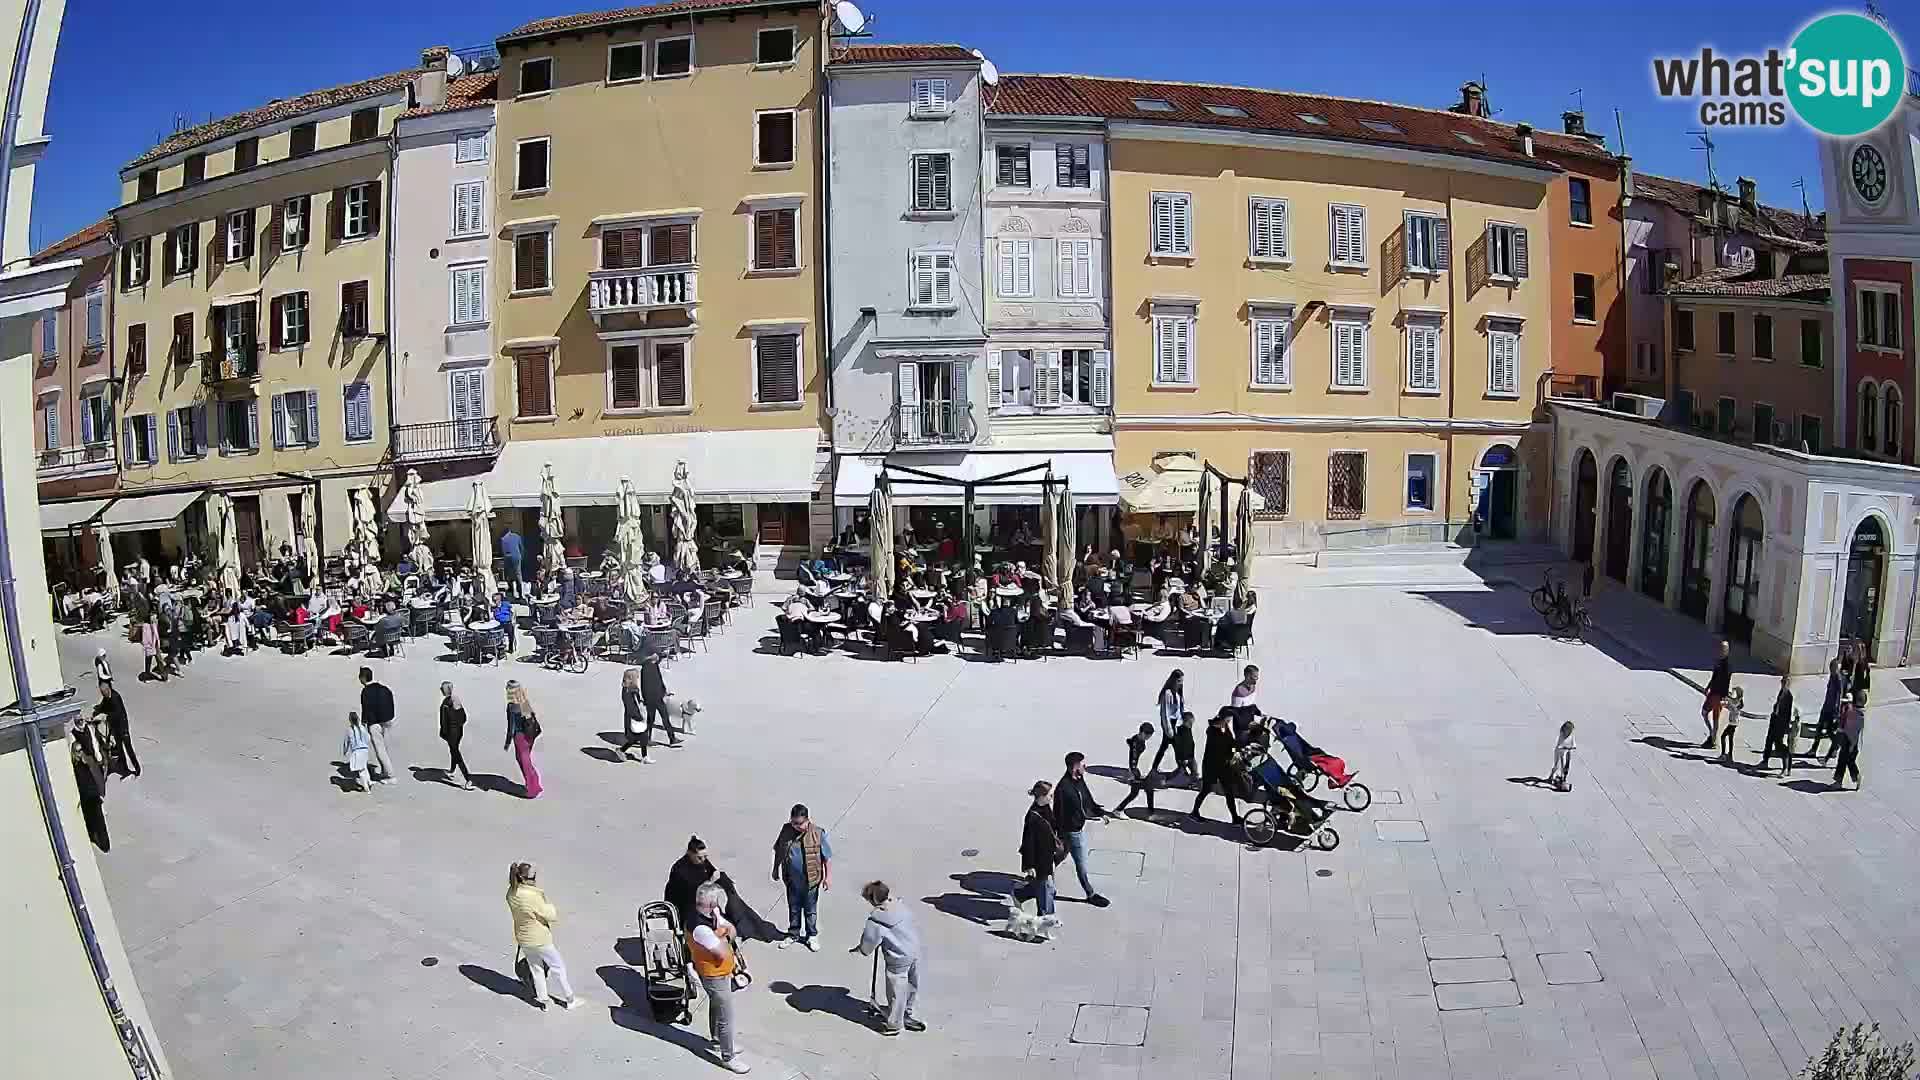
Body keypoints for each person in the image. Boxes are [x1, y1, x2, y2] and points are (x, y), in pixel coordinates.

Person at [665, 836, 785, 942]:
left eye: (705, 857)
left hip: (702, 901)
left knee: (728, 890)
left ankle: (747, 922)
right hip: (687, 907)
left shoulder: (701, 862)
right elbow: (694, 890)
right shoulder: (680, 870)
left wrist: (721, 880)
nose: (703, 860)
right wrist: (711, 882)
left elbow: (712, 871)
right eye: (700, 858)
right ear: (690, 854)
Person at [688, 882, 751, 1072]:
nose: (719, 906)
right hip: (713, 975)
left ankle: (717, 1041)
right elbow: (722, 952)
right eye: (717, 902)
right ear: (711, 904)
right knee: (726, 1017)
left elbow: (731, 928)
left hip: (720, 972)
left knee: (716, 1006)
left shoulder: (709, 914)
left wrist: (724, 933)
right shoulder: (700, 928)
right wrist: (726, 936)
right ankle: (728, 1056)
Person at [506, 862, 582, 1010]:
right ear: (525, 878)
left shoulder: (511, 893)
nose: (535, 880)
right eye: (533, 878)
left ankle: (544, 1002)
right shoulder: (531, 896)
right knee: (558, 967)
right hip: (539, 938)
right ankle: (570, 999)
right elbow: (550, 915)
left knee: (536, 969)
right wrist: (550, 906)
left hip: (523, 938)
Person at [854, 881, 925, 1036]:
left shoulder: (877, 920)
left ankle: (894, 1024)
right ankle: (906, 1012)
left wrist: (862, 950)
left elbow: (869, 941)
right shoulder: (900, 905)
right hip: (913, 949)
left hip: (898, 957)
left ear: (873, 900)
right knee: (911, 982)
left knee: (896, 989)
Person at [1054, 752, 1111, 906]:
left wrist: (1100, 812)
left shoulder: (1079, 780)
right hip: (1072, 832)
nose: (1085, 766)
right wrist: (1059, 834)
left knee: (1059, 857)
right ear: (1074, 767)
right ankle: (1090, 894)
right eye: (1082, 764)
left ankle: (1041, 878)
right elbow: (1058, 813)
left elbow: (1087, 799)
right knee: (1081, 865)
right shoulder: (1063, 788)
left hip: (1075, 829)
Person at [773, 803, 832, 950]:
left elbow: (827, 858)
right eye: (793, 822)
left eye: (799, 823)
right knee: (794, 909)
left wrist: (827, 877)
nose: (796, 826)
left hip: (811, 881)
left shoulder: (817, 833)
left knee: (810, 910)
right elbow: (779, 850)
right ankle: (793, 934)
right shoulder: (786, 830)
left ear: (807, 820)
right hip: (792, 881)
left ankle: (812, 935)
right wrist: (775, 868)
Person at [1016, 780, 1060, 917]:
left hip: (1048, 854)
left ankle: (1020, 894)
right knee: (1046, 887)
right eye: (1050, 795)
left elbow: (1052, 825)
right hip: (1039, 859)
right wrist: (1029, 865)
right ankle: (1046, 917)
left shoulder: (1046, 808)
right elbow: (1028, 843)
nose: (1052, 797)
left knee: (1045, 886)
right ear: (1041, 796)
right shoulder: (1032, 817)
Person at [1191, 711, 1242, 825]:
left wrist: (1235, 750)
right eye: (1227, 720)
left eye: (1229, 720)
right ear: (1222, 719)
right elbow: (1220, 749)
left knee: (1229, 792)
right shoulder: (1212, 731)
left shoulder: (1225, 728)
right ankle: (1194, 812)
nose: (1228, 722)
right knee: (1206, 790)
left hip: (1223, 767)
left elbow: (1232, 743)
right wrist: (1231, 755)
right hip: (1211, 767)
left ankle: (1235, 818)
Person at [71, 717, 110, 851]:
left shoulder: (88, 763)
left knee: (99, 821)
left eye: (80, 750)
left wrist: (99, 792)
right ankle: (94, 837)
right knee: (92, 820)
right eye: (77, 751)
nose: (80, 753)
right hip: (86, 798)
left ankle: (104, 844)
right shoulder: (76, 765)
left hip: (93, 796)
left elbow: (97, 777)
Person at [357, 667, 397, 784]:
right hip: (387, 721)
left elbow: (366, 709)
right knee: (383, 747)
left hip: (374, 724)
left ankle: (390, 776)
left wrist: (364, 723)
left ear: (363, 678)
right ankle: (385, 771)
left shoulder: (366, 691)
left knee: (380, 749)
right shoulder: (384, 688)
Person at [91, 682, 140, 778]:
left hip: (122, 728)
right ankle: (124, 768)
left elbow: (116, 713)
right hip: (115, 728)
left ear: (108, 689)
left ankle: (137, 769)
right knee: (120, 749)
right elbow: (103, 706)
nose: (102, 693)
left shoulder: (115, 697)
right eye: (101, 692)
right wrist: (97, 712)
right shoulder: (106, 697)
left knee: (128, 749)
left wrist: (105, 716)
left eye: (103, 692)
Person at [504, 680, 542, 799]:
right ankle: (535, 783)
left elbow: (511, 726)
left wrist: (508, 741)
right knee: (527, 761)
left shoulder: (512, 706)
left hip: (520, 738)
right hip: (530, 736)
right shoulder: (524, 702)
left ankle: (532, 789)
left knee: (524, 762)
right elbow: (531, 719)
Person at [640, 651, 682, 749]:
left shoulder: (655, 666)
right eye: (655, 655)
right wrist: (646, 698)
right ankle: (647, 739)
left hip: (658, 697)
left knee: (665, 717)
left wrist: (664, 691)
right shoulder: (645, 668)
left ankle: (672, 738)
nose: (657, 656)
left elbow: (659, 680)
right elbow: (644, 685)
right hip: (651, 698)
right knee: (651, 720)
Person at [1113, 723, 1158, 814]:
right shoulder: (1135, 744)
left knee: (1149, 789)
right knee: (1135, 793)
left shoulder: (1138, 739)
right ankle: (1118, 810)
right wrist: (1134, 773)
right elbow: (1133, 758)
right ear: (1142, 733)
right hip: (1136, 772)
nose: (1148, 738)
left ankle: (1151, 811)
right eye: (1147, 735)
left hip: (1139, 771)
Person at [1149, 669, 1186, 777]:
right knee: (1177, 747)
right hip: (1169, 723)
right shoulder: (1167, 693)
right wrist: (1168, 728)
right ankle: (1182, 769)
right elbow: (1165, 713)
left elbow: (1180, 709)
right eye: (1179, 681)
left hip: (1176, 723)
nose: (1181, 683)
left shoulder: (1178, 693)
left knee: (1165, 746)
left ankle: (1155, 768)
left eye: (1182, 681)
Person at [439, 682, 475, 790]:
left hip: (452, 734)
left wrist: (446, 731)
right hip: (457, 732)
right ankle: (452, 770)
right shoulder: (454, 700)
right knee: (453, 750)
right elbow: (463, 718)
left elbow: (446, 721)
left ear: (446, 690)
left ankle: (468, 779)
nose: (441, 689)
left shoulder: (448, 703)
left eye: (442, 688)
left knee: (456, 754)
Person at [620, 667, 658, 763]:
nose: (638, 678)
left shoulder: (630, 689)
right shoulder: (629, 691)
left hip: (633, 717)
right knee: (638, 737)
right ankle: (622, 751)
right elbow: (630, 706)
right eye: (636, 677)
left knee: (639, 737)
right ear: (631, 678)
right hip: (633, 718)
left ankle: (643, 756)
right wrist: (639, 717)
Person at [1761, 675, 1796, 777]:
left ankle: (1786, 767)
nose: (1783, 684)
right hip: (1775, 720)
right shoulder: (1781, 692)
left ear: (1788, 684)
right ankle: (1765, 761)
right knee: (1769, 740)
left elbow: (1788, 713)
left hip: (1781, 724)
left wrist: (1786, 727)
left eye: (1785, 682)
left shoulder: (1789, 696)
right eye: (1782, 682)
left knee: (1780, 746)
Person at [1702, 640, 1731, 749]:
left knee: (1715, 719)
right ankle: (1711, 733)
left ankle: (1713, 741)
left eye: (1723, 649)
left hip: (1719, 695)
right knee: (1704, 712)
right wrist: (1708, 687)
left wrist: (1724, 697)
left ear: (1727, 651)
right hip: (1712, 692)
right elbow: (1714, 676)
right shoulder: (1718, 661)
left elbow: (1727, 682)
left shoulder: (1727, 665)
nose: (1720, 650)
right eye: (1720, 648)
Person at [1833, 693, 1864, 790]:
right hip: (1853, 742)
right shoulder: (1860, 714)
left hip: (1849, 741)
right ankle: (1856, 776)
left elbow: (1851, 730)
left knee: (1842, 761)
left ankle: (1839, 782)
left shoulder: (1854, 714)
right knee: (1850, 761)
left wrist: (1851, 744)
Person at [340, 711, 373, 792]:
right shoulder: (362, 728)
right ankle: (369, 781)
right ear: (358, 719)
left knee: (360, 770)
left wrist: (345, 751)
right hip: (365, 750)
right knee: (364, 767)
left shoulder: (349, 730)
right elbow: (368, 738)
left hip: (357, 752)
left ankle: (366, 787)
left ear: (350, 720)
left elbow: (346, 742)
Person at [1547, 721, 1576, 792]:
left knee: (1565, 766)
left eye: (1570, 730)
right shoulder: (1562, 735)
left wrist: (1572, 747)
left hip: (1566, 752)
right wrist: (1564, 747)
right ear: (1564, 729)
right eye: (1568, 730)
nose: (1569, 732)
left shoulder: (1571, 736)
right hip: (1558, 752)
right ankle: (1551, 775)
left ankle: (1563, 779)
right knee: (1557, 766)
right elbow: (1560, 745)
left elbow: (1573, 744)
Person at [500, 528, 526, 599]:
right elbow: (522, 548)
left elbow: (503, 551)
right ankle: (520, 594)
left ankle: (511, 592)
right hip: (516, 557)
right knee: (518, 574)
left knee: (509, 575)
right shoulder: (517, 536)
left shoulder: (503, 539)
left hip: (508, 558)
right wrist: (521, 557)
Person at [493, 591, 517, 656]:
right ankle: (500, 649)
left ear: (500, 599)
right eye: (494, 600)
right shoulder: (494, 607)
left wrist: (513, 619)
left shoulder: (506, 604)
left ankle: (510, 647)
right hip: (499, 624)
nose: (495, 601)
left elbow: (513, 611)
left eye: (496, 600)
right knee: (496, 634)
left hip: (508, 622)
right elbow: (491, 616)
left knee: (511, 632)